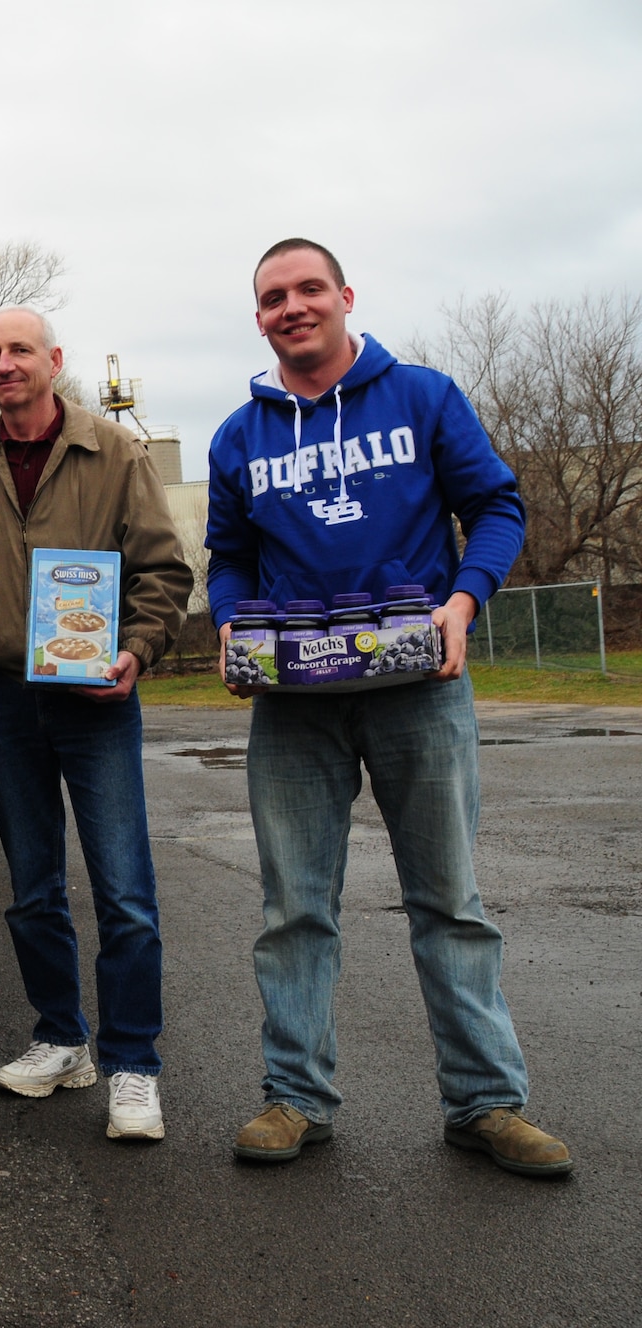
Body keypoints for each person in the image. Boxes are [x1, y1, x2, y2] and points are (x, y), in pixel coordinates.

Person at [207, 238, 572, 1176]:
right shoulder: (239, 436)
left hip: (419, 688)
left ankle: (486, 1103)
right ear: (259, 318)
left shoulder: (424, 397)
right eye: (273, 297)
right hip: (293, 703)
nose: (292, 307)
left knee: (449, 902)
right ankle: (295, 1099)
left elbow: (496, 506)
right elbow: (232, 556)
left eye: (308, 289)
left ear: (344, 296)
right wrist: (231, 625)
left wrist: (464, 601)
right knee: (295, 908)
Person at [0, 307, 191, 1141]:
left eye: (19, 350)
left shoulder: (113, 451)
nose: (4, 364)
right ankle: (60, 1037)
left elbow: (164, 569)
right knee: (31, 886)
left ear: (53, 360)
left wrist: (136, 650)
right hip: (7, 700)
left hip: (95, 698)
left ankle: (133, 1064)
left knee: (124, 890)